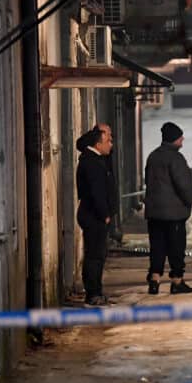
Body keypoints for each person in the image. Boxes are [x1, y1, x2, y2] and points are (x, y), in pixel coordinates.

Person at [144, 122, 192, 295]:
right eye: (180, 137)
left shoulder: (153, 157)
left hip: (154, 213)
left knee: (157, 247)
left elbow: (148, 182)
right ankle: (177, 281)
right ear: (174, 139)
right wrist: (189, 200)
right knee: (176, 248)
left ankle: (154, 279)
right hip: (173, 214)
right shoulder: (176, 159)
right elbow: (183, 185)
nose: (182, 140)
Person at [76, 125, 117, 306]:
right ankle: (93, 293)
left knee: (98, 255)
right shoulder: (92, 162)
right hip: (94, 216)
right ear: (98, 142)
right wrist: (105, 214)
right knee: (94, 256)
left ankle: (96, 291)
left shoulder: (97, 159)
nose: (111, 144)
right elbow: (96, 192)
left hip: (94, 215)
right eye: (108, 140)